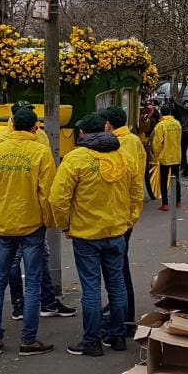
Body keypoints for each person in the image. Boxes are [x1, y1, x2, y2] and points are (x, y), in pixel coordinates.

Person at [49, 113, 140, 357]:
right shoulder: (124, 157)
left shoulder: (76, 159)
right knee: (117, 285)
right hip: (116, 231)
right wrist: (128, 221)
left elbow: (58, 198)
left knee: (91, 288)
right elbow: (136, 194)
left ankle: (91, 341)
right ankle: (118, 336)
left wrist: (65, 225)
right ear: (106, 129)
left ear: (82, 134)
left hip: (86, 234)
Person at [0, 107, 56, 356]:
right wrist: (48, 220)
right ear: (35, 128)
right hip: (31, 224)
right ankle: (28, 339)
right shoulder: (40, 152)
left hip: (4, 224)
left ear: (12, 125)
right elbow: (47, 193)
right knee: (32, 282)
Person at [101, 105, 143, 334]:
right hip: (126, 209)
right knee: (119, 264)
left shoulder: (119, 143)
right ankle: (121, 307)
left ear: (109, 124)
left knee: (118, 267)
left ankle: (125, 315)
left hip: (119, 211)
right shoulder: (133, 140)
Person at [150, 103, 183, 212]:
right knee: (176, 178)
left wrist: (156, 154)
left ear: (161, 113)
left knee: (164, 180)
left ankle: (165, 203)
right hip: (176, 155)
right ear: (170, 113)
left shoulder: (160, 125)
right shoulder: (177, 124)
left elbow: (157, 143)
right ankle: (178, 201)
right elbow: (179, 138)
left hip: (165, 157)